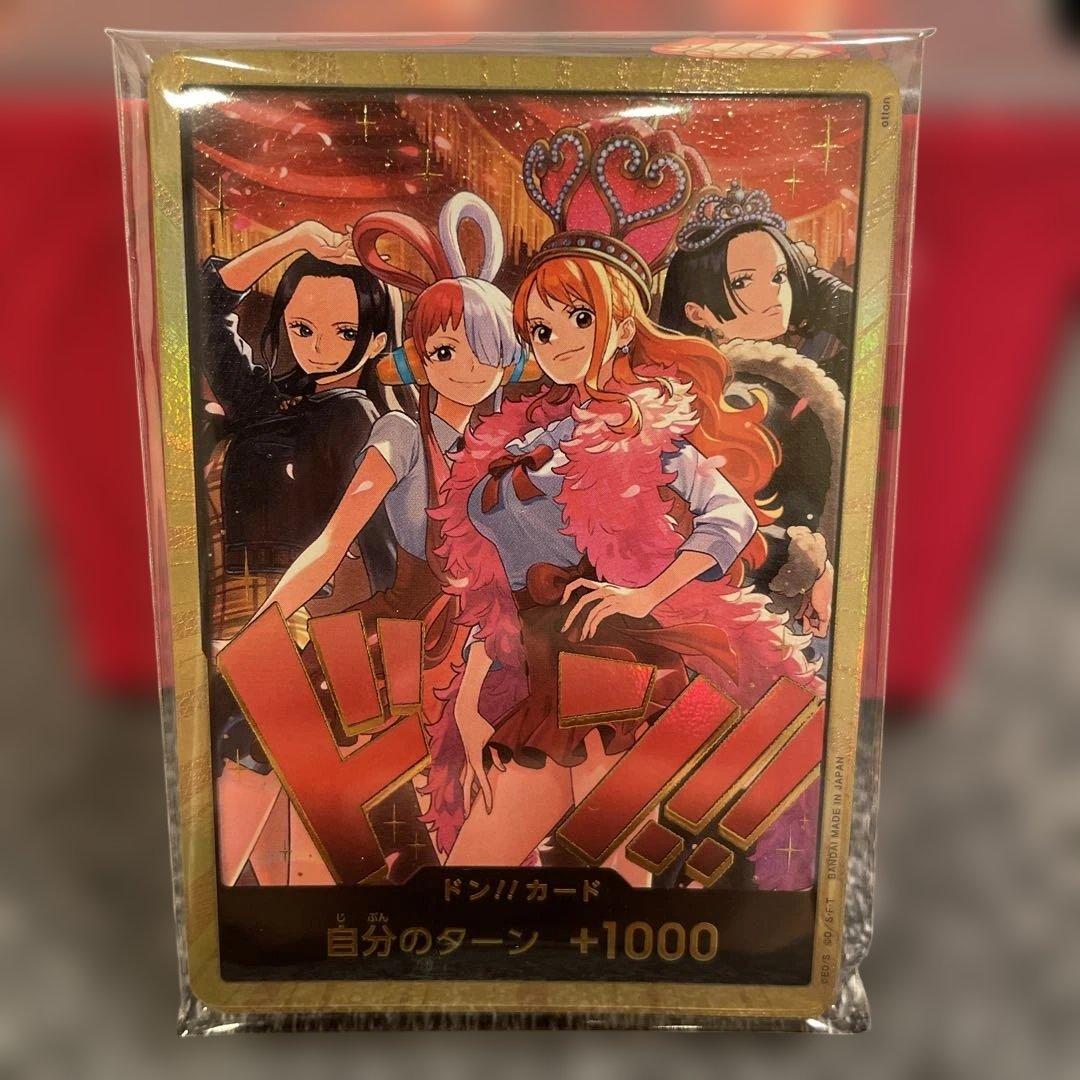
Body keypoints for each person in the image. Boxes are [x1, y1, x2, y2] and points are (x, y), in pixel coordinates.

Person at [424, 126, 824, 875]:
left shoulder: (648, 422)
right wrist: (474, 698)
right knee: (475, 877)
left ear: (620, 322)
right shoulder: (519, 434)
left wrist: (646, 595)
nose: (558, 341)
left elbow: (730, 515)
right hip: (536, 673)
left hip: (620, 669)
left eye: (579, 319)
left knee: (614, 879)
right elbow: (493, 588)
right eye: (540, 327)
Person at [659, 181, 850, 640]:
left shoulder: (786, 377)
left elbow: (868, 331)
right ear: (697, 312)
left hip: (788, 595)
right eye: (743, 281)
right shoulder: (737, 394)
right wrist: (809, 566)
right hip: (757, 603)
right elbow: (727, 519)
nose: (772, 294)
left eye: (780, 275)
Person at [199, 220, 403, 608]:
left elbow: (379, 539)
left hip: (287, 607)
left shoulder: (355, 417)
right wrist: (294, 239)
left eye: (345, 331)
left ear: (377, 342)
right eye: (302, 328)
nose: (319, 347)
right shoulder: (269, 404)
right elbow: (204, 308)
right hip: (226, 599)